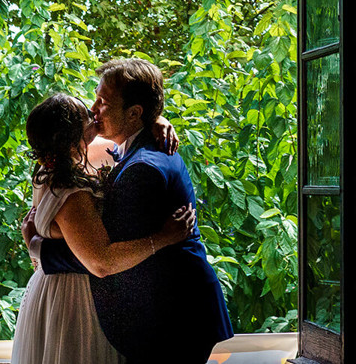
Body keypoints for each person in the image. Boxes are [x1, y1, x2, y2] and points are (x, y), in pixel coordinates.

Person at [44, 58, 235, 364]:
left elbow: (107, 255)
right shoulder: (137, 146)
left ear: (134, 113)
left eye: (103, 102)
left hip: (173, 318)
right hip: (171, 309)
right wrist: (156, 120)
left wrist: (42, 252)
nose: (93, 109)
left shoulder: (142, 168)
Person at [13, 93, 197, 364]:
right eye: (87, 114)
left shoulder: (58, 163)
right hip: (73, 301)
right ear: (73, 135)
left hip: (56, 288)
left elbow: (124, 135)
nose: (94, 112)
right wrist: (163, 237)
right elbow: (101, 261)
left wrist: (153, 119)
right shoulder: (71, 193)